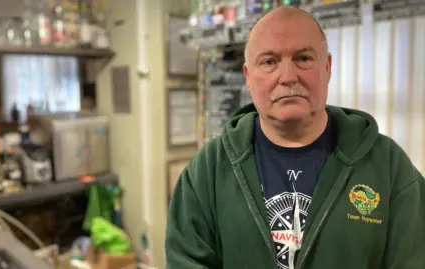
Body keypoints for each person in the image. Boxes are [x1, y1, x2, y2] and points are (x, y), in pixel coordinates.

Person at [165, 6, 425, 269]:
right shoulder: (208, 171)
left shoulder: (389, 169)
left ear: (327, 66)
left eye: (303, 58)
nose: (288, 77)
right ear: (248, 76)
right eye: (269, 62)